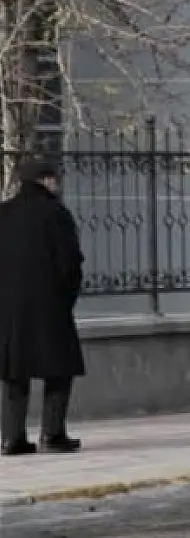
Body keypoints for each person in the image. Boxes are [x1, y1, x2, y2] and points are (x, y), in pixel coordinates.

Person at [0, 159, 85, 456]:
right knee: (59, 369)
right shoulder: (56, 214)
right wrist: (66, 298)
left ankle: (11, 438)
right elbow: (70, 262)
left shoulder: (4, 213)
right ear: (45, 181)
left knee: (13, 372)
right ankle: (52, 434)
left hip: (7, 309)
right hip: (49, 306)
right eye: (55, 180)